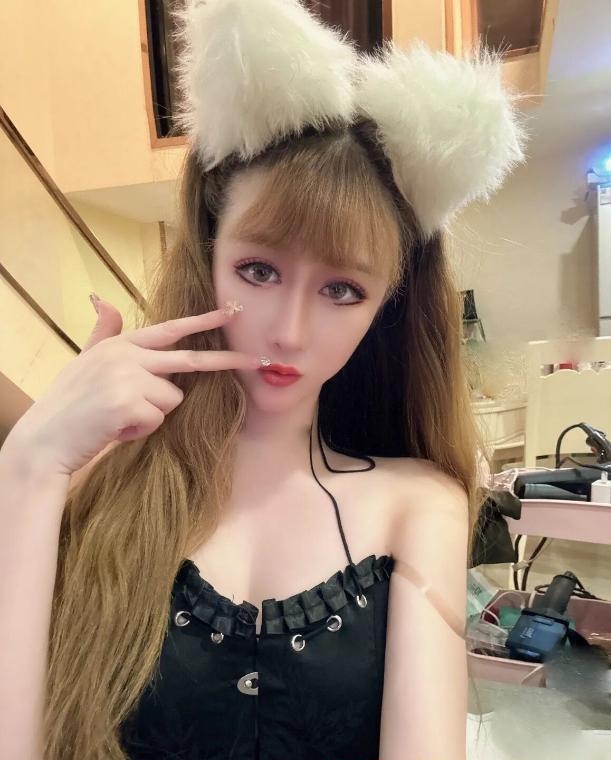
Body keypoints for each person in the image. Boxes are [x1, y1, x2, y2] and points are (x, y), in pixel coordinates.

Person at [0, 1, 528, 759]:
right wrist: (29, 463)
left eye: (341, 289)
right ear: (208, 257)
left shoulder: (418, 505)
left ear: (386, 306)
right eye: (258, 270)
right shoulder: (99, 481)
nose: (289, 331)